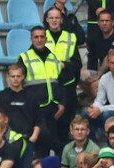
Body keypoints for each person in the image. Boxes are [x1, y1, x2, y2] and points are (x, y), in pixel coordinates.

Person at [18, 26, 65, 157]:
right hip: (35, 107)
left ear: (46, 38)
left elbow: (61, 82)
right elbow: (19, 83)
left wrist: (62, 102)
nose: (39, 40)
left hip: (54, 107)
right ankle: (64, 151)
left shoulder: (54, 58)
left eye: (42, 37)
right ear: (31, 39)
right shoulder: (24, 57)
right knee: (44, 138)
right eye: (36, 37)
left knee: (45, 146)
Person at [43, 6, 80, 139]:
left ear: (62, 19)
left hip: (67, 86)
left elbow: (77, 64)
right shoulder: (41, 37)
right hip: (47, 87)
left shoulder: (70, 38)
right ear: (47, 20)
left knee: (64, 130)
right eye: (51, 18)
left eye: (57, 18)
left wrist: (64, 64)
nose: (54, 20)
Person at [0, 64, 40, 145]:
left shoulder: (32, 96)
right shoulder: (0, 96)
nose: (15, 79)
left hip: (27, 138)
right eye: (13, 76)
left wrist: (33, 137)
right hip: (6, 139)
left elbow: (38, 119)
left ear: (23, 77)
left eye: (18, 76)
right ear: (8, 77)